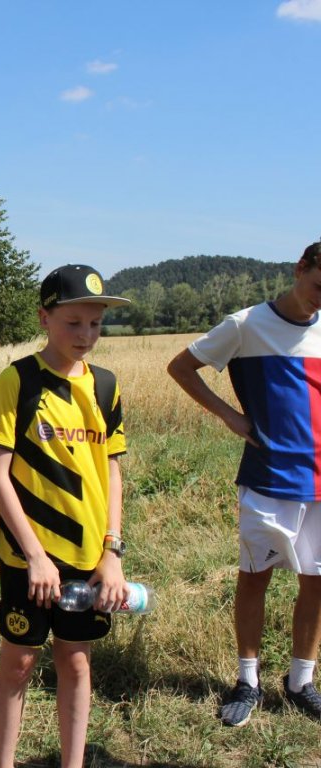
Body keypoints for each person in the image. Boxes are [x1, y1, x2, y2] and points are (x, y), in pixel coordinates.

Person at [0, 264, 131, 768]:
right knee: (19, 663)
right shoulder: (18, 379)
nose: (85, 334)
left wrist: (112, 552)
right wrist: (35, 556)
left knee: (76, 660)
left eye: (95, 323)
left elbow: (111, 472)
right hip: (27, 556)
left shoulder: (105, 386)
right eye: (73, 323)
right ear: (45, 318)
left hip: (89, 555)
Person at [167, 240, 321, 727]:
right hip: (268, 478)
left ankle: (300, 682)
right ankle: (247, 681)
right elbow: (181, 367)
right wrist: (230, 417)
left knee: (317, 584)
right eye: (319, 285)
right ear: (300, 269)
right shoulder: (246, 324)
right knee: (254, 579)